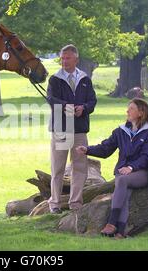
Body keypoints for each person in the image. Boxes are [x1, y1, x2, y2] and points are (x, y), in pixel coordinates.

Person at [76, 99, 148, 239]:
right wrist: (88, 150)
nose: (127, 111)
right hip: (122, 173)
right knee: (124, 193)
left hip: (140, 173)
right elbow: (106, 149)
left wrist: (131, 167)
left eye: (131, 109)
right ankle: (120, 232)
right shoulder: (121, 131)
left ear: (141, 113)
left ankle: (112, 223)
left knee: (122, 182)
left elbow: (146, 157)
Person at [47, 44, 97, 214]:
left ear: (76, 59)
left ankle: (75, 203)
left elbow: (92, 101)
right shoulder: (55, 79)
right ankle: (54, 203)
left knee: (80, 167)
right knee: (58, 167)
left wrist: (84, 108)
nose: (65, 61)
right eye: (62, 58)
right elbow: (51, 100)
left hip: (80, 129)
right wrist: (67, 107)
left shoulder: (85, 79)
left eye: (68, 58)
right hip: (61, 129)